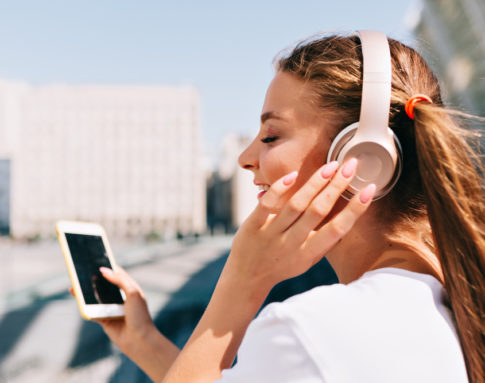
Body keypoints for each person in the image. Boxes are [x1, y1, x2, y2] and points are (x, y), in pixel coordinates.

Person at [92, 31, 485, 382]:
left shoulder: (309, 332)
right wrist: (143, 340)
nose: (245, 158)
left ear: (364, 158)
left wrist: (241, 282)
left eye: (271, 135)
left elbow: (310, 358)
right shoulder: (451, 300)